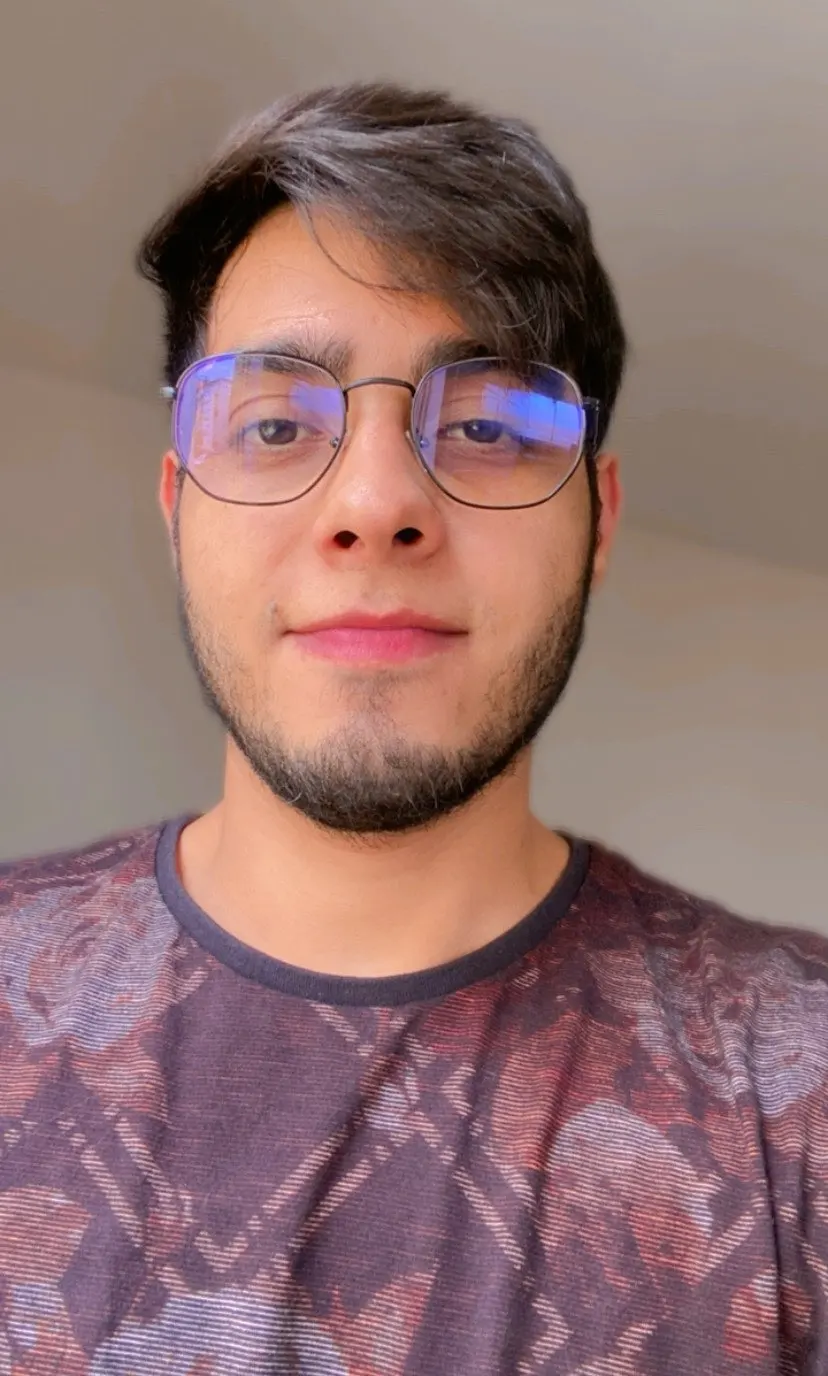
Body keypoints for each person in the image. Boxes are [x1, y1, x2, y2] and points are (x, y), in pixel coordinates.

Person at [0, 82, 825, 1376]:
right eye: (277, 424)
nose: (376, 502)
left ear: (598, 522)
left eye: (489, 425)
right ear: (177, 509)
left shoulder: (804, 1081)